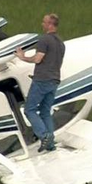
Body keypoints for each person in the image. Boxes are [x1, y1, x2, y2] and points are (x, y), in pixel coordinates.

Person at [15, 13, 65, 152]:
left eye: (44, 22)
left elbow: (38, 59)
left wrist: (22, 57)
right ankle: (50, 144)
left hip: (42, 79)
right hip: (54, 81)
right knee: (45, 111)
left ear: (50, 24)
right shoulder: (60, 43)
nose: (42, 24)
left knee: (29, 109)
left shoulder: (44, 40)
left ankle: (44, 136)